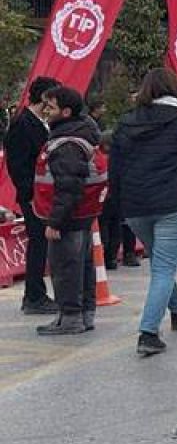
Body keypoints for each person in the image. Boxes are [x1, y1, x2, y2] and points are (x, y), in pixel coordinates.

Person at [111, 68, 177, 356]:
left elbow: (115, 167)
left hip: (135, 205)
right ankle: (148, 332)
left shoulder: (126, 123)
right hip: (173, 203)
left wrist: (119, 204)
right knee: (164, 268)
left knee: (160, 262)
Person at [32, 87, 103, 336]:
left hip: (68, 218)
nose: (45, 111)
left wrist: (55, 221)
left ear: (66, 111)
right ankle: (84, 314)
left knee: (65, 267)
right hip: (81, 216)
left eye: (50, 107)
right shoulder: (80, 135)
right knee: (81, 265)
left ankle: (71, 318)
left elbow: (68, 187)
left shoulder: (66, 144)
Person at [4, 76, 61, 314]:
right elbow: (17, 165)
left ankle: (38, 292)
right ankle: (34, 296)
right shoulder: (22, 124)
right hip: (32, 196)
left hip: (44, 194)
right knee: (37, 243)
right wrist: (28, 195)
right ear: (45, 98)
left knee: (42, 244)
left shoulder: (40, 123)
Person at [98, 132, 139, 271]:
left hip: (103, 199)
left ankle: (104, 257)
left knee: (104, 227)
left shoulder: (99, 158)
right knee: (117, 228)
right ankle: (113, 257)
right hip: (118, 197)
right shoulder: (121, 159)